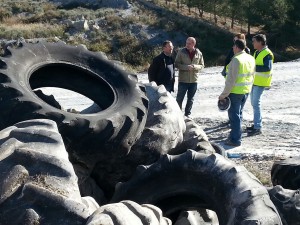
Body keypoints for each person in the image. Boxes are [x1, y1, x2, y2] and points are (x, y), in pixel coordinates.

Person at [219, 39, 255, 146]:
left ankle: (235, 139)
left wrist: (223, 95)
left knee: (234, 117)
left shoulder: (236, 60)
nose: (233, 49)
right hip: (246, 90)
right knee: (239, 115)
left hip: (235, 92)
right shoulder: (250, 58)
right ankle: (235, 135)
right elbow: (253, 75)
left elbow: (231, 80)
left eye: (233, 47)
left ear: (236, 47)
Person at [247, 34, 274, 136]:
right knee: (254, 104)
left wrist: (253, 68)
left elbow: (267, 67)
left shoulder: (267, 53)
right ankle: (256, 124)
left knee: (256, 104)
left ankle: (258, 126)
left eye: (254, 41)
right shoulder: (257, 52)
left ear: (260, 42)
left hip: (261, 82)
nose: (253, 43)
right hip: (254, 82)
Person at [175, 37, 204, 118]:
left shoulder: (199, 53)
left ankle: (188, 114)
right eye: (186, 43)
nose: (187, 45)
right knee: (179, 98)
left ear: (193, 44)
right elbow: (176, 64)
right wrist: (186, 67)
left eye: (189, 43)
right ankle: (178, 114)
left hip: (194, 80)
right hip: (183, 80)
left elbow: (202, 66)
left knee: (190, 99)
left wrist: (194, 67)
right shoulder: (181, 52)